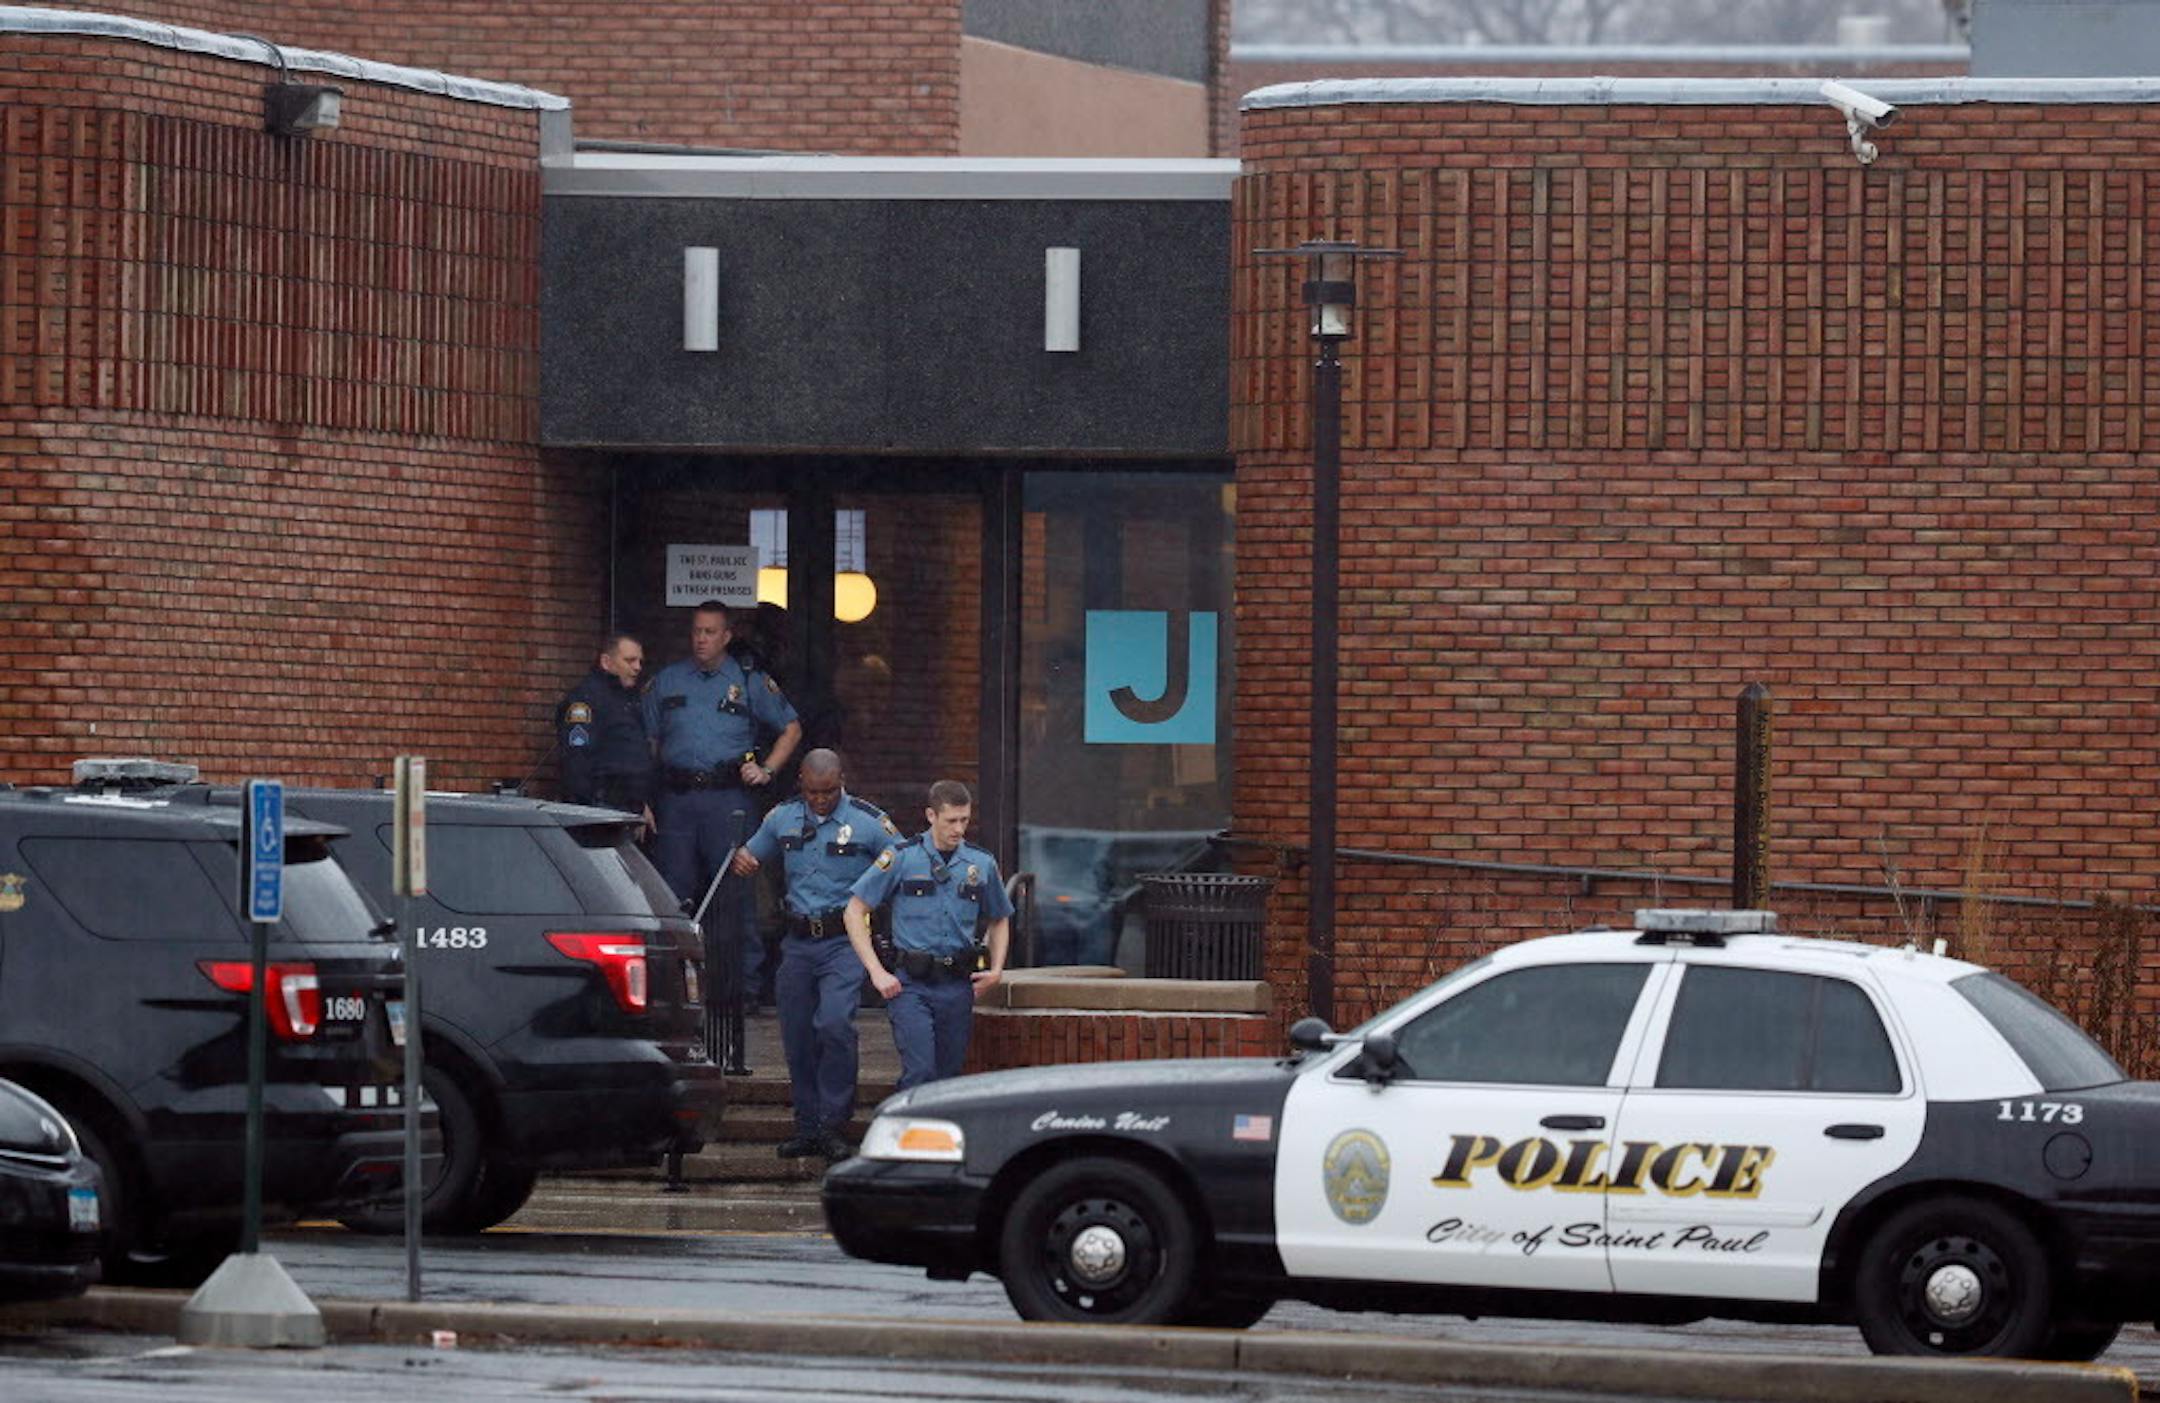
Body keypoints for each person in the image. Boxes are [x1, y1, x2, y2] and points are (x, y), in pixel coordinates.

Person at [730, 749, 897, 1158]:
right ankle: (807, 1126)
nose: (820, 800)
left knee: (835, 1023)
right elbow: (751, 854)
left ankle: (833, 1123)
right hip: (799, 942)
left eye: (828, 791)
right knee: (798, 1033)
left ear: (841, 780)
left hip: (845, 941)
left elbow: (904, 864)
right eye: (812, 792)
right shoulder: (783, 817)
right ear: (800, 782)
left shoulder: (867, 821)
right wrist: (743, 859)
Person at [644, 603, 802, 994]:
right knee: (672, 891)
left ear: (726, 637)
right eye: (697, 631)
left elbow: (792, 728)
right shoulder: (667, 680)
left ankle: (740, 989)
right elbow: (647, 742)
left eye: (710, 632)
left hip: (727, 800)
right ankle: (674, 987)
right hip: (677, 799)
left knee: (734, 893)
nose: (701, 639)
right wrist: (645, 796)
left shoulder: (747, 681)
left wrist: (766, 770)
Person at [845, 780, 1011, 1090]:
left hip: (957, 983)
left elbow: (999, 918)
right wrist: (876, 972)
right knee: (919, 1070)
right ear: (931, 816)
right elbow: (854, 910)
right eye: (951, 820)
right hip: (911, 984)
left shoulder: (981, 863)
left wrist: (997, 970)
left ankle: (937, 1138)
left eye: (964, 820)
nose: (959, 829)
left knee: (948, 1078)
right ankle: (906, 1136)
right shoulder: (902, 857)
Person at [556, 634, 652, 814]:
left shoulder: (628, 700)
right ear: (606, 662)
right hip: (600, 807)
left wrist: (639, 803)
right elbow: (577, 760)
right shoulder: (586, 700)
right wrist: (587, 812)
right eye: (630, 660)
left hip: (626, 806)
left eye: (640, 661)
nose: (637, 667)